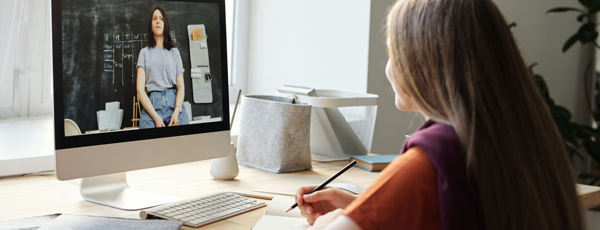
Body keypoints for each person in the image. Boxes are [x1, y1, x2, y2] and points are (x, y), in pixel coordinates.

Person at [295, 0, 585, 229]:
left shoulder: (433, 159)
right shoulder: (524, 139)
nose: (388, 68)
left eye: (393, 54)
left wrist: (326, 223)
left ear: (421, 63)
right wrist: (369, 209)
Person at [137, 6, 189, 129]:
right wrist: (155, 117)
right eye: (154, 19)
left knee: (185, 142)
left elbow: (181, 86)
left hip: (173, 102)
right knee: (147, 144)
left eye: (161, 18)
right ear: (151, 26)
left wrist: (177, 110)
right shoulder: (144, 53)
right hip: (152, 106)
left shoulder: (174, 52)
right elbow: (140, 90)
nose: (158, 21)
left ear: (165, 24)